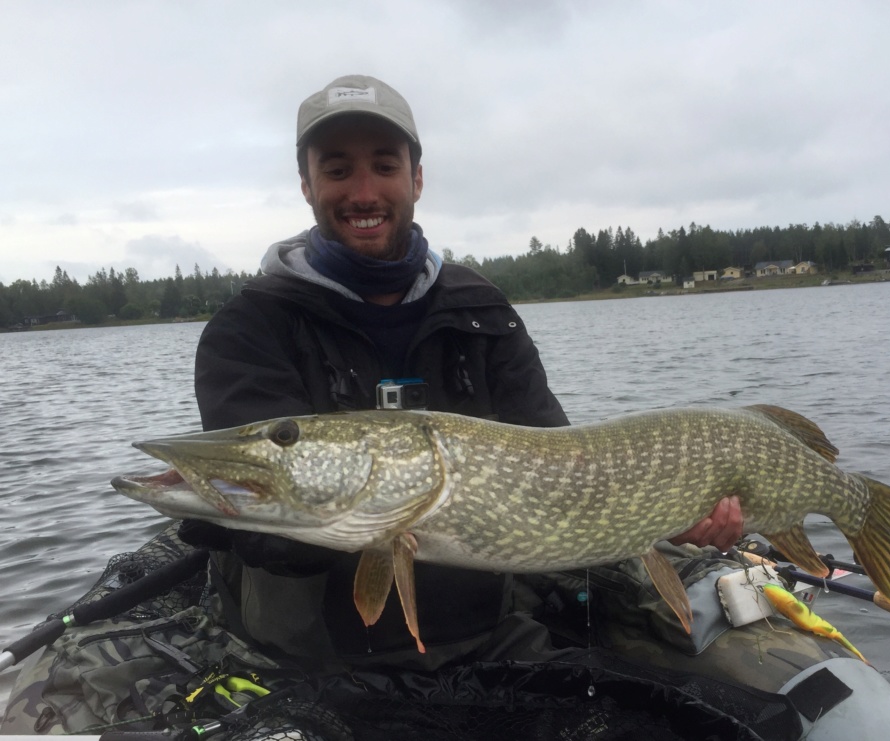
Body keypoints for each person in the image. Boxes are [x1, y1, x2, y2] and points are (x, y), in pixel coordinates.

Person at [186, 74, 743, 671]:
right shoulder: (251, 327)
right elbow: (263, 530)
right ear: (307, 184)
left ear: (416, 178)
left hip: (485, 639)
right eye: (338, 170)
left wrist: (671, 512)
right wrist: (369, 514)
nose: (364, 192)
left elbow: (559, 460)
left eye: (384, 166)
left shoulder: (481, 312)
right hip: (307, 660)